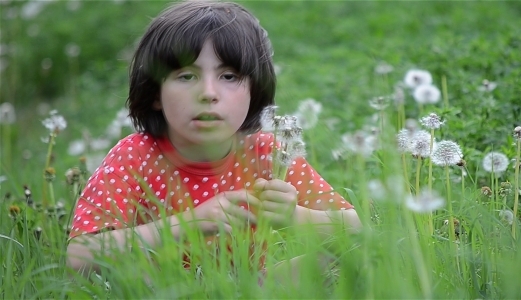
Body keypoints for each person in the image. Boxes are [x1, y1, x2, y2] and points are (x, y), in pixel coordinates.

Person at [66, 0, 362, 284]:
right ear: (155, 93)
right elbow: (79, 257)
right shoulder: (136, 155)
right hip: (158, 289)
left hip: (252, 289)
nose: (208, 92)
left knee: (340, 253)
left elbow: (355, 230)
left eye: (229, 76)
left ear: (254, 91)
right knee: (128, 274)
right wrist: (190, 224)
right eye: (186, 76)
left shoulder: (265, 153)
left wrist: (294, 216)